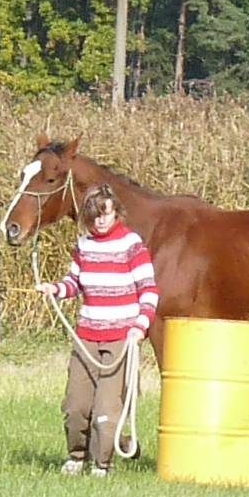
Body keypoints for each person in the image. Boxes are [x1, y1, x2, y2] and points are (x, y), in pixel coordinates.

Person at [36, 183, 158, 477]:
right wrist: (55, 288)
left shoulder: (132, 245)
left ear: (116, 212)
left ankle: (102, 463)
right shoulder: (84, 246)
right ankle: (76, 456)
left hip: (121, 338)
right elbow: (74, 284)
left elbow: (149, 291)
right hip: (87, 335)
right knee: (76, 406)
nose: (100, 220)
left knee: (106, 410)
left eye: (105, 214)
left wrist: (140, 326)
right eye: (94, 215)